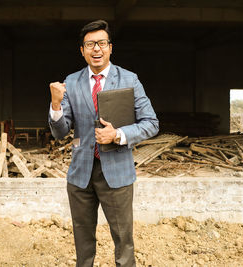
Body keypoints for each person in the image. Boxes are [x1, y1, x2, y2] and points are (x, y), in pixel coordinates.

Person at [48, 20, 159, 267]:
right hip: (81, 173)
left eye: (101, 43)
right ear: (82, 50)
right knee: (83, 239)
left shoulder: (129, 79)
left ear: (110, 47)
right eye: (90, 44)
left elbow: (151, 122)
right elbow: (60, 131)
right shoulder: (72, 81)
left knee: (123, 239)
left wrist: (117, 134)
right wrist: (56, 105)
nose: (96, 49)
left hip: (117, 172)